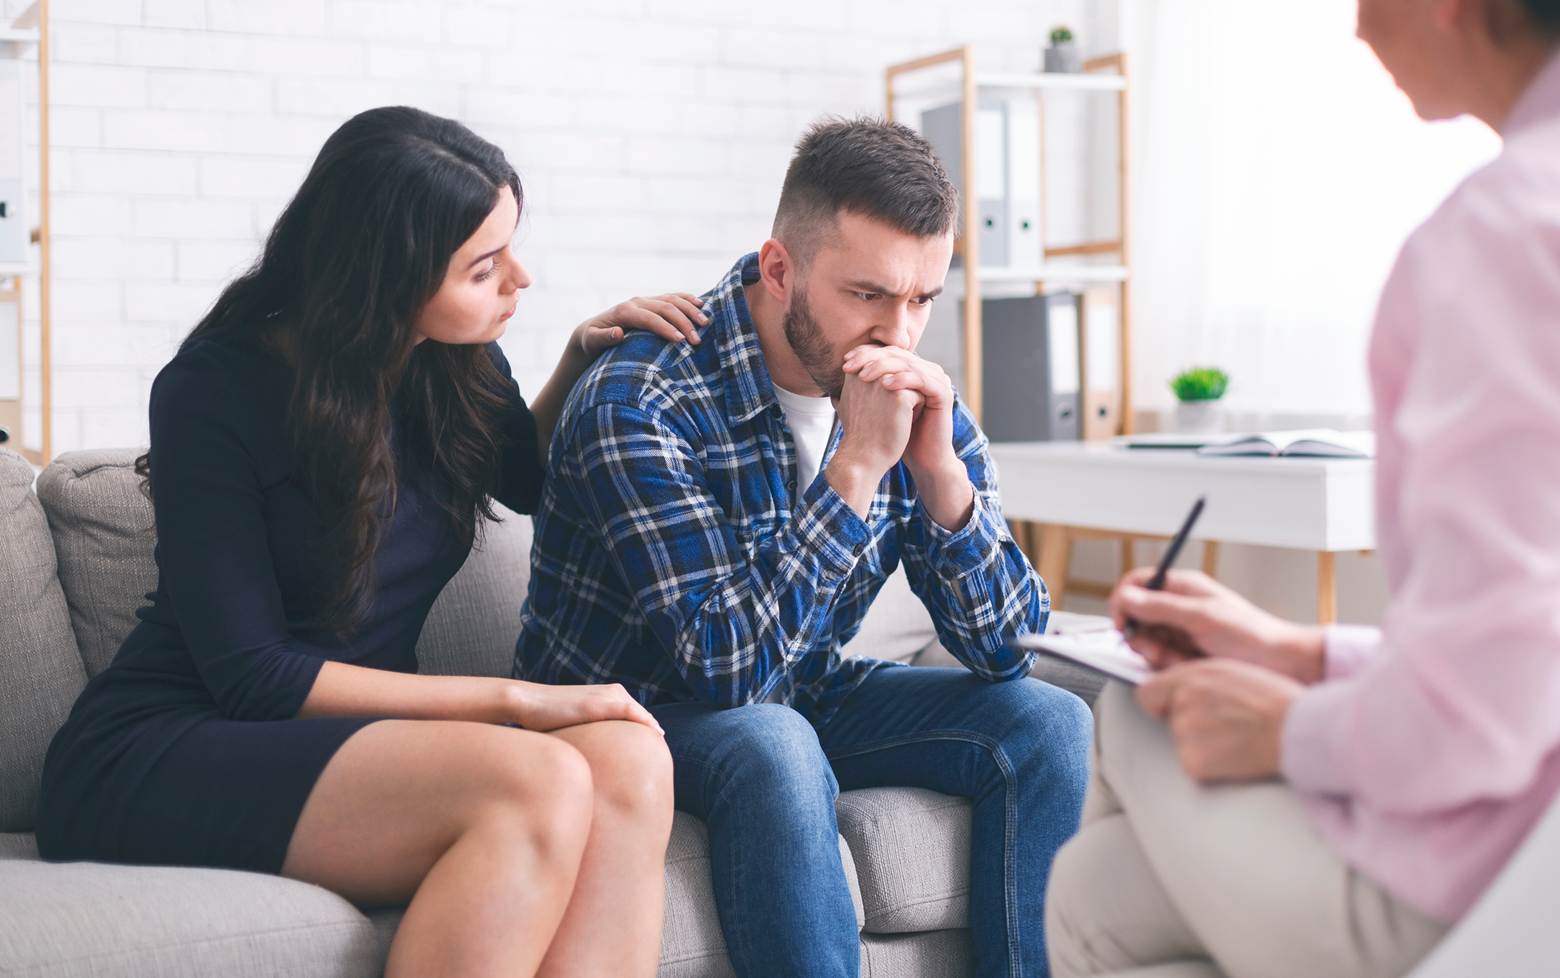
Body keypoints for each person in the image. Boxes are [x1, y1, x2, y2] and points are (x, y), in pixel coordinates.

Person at [38, 106, 705, 978]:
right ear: (386, 279)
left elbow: (528, 481)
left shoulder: (452, 360)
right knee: (536, 778)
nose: (521, 279)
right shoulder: (214, 389)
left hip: (342, 735)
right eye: (484, 266)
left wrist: (581, 362)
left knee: (629, 759)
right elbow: (255, 676)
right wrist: (517, 701)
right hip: (166, 744)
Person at [1045, 2, 1560, 976]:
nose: (1359, 34)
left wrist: (1288, 728)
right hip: (1521, 843)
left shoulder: (1496, 238)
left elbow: (1487, 710)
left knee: (1127, 708)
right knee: (1091, 894)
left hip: (1483, 896)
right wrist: (1299, 653)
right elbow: (1527, 638)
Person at [517, 116, 1092, 978]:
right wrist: (859, 465)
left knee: (1051, 721)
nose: (899, 333)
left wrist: (941, 482)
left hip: (800, 685)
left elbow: (1007, 647)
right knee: (772, 740)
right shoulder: (641, 396)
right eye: (868, 294)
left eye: (923, 299)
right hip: (625, 713)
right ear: (779, 268)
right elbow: (730, 674)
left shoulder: (907, 386)